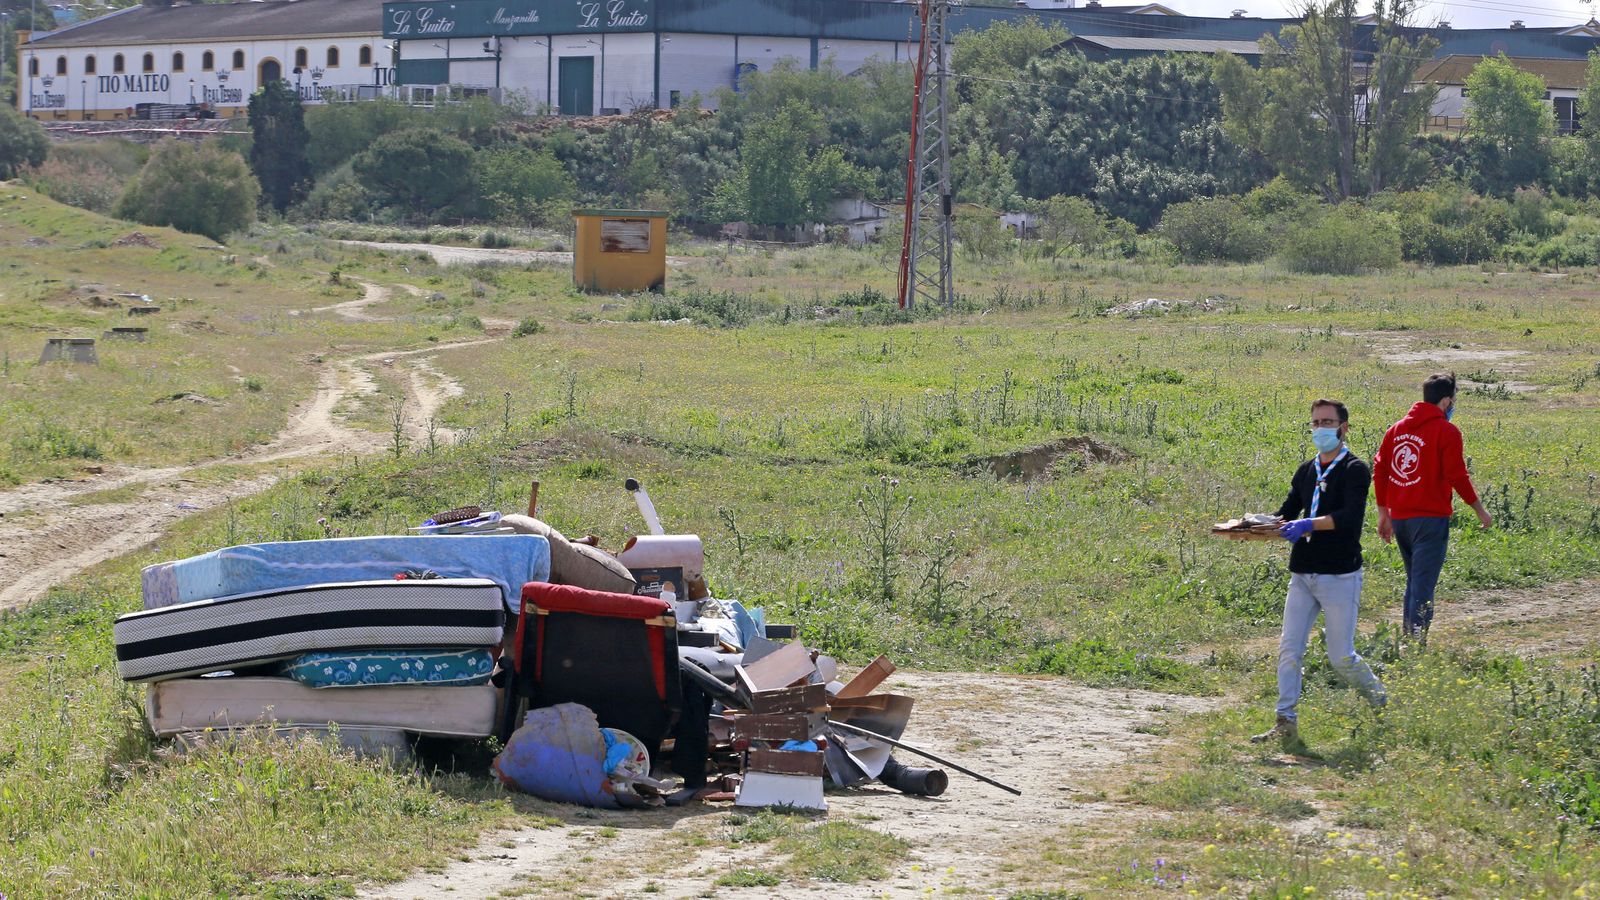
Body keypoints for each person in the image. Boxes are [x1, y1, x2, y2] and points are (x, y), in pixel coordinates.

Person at [1252, 399, 1388, 751]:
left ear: (1343, 427)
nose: (1320, 428)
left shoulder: (1355, 469)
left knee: (1341, 656)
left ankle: (1382, 703)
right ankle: (1285, 721)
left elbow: (1349, 517)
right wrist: (1256, 524)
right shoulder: (1306, 470)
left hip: (1340, 574)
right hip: (1303, 573)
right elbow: (1287, 512)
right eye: (1315, 422)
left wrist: (1309, 523)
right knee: (1289, 649)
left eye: (1328, 422)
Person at [1373, 373, 1493, 639]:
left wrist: (1384, 513)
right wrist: (1479, 509)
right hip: (1429, 521)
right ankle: (1416, 643)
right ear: (1446, 400)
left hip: (1401, 519)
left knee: (1414, 583)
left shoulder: (1396, 429)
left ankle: (1408, 638)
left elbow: (1380, 471)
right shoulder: (1447, 431)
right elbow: (1457, 476)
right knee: (1423, 586)